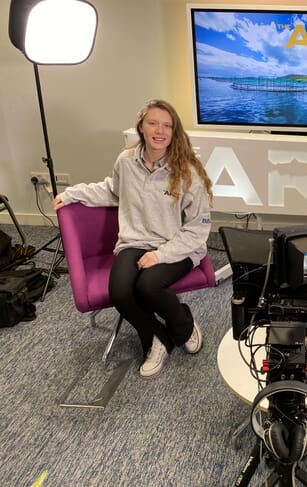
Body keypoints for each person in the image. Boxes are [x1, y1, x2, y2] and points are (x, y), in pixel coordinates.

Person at [53, 99, 213, 379]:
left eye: (167, 125)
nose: (159, 130)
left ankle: (183, 324)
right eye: (153, 123)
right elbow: (113, 191)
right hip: (135, 241)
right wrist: (71, 194)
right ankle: (156, 339)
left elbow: (198, 229)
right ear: (141, 126)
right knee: (121, 292)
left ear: (174, 132)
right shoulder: (126, 161)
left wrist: (160, 255)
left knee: (149, 287)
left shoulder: (188, 172)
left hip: (179, 246)